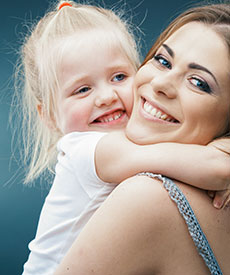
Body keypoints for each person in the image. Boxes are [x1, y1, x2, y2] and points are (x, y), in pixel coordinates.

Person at [16, 0, 230, 274]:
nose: (106, 97)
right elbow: (218, 168)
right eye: (81, 90)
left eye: (119, 77)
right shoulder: (87, 149)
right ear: (48, 116)